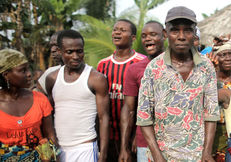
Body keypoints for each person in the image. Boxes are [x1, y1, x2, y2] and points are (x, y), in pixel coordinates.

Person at [136, 6, 220, 161]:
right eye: (175, 30)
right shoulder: (153, 68)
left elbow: (211, 113)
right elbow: (144, 117)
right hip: (163, 155)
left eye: (187, 30)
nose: (181, 36)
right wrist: (157, 156)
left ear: (195, 33)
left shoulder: (206, 66)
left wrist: (207, 152)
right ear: (165, 33)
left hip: (197, 156)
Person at [45, 29, 109, 162]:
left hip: (85, 148)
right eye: (69, 52)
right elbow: (48, 117)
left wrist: (103, 153)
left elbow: (104, 118)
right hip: (59, 148)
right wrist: (49, 149)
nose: (75, 56)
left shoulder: (96, 78)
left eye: (79, 51)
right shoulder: (51, 78)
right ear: (60, 52)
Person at [97, 19, 146, 162]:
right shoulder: (102, 64)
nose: (117, 32)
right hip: (109, 135)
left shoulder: (141, 63)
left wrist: (137, 135)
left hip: (133, 136)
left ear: (133, 38)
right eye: (115, 29)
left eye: (123, 30)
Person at [0, 49, 59, 161]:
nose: (29, 74)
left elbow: (50, 136)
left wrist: (48, 156)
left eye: (28, 69)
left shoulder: (40, 99)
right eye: (23, 71)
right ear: (6, 75)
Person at [119, 20, 165, 162]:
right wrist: (124, 147)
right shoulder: (135, 69)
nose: (148, 38)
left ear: (164, 35)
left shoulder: (178, 65)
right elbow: (129, 109)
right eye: (144, 36)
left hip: (176, 142)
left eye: (153, 34)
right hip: (145, 143)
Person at [211, 43, 231, 162]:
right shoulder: (210, 78)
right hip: (213, 132)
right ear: (216, 58)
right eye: (223, 55)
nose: (228, 58)